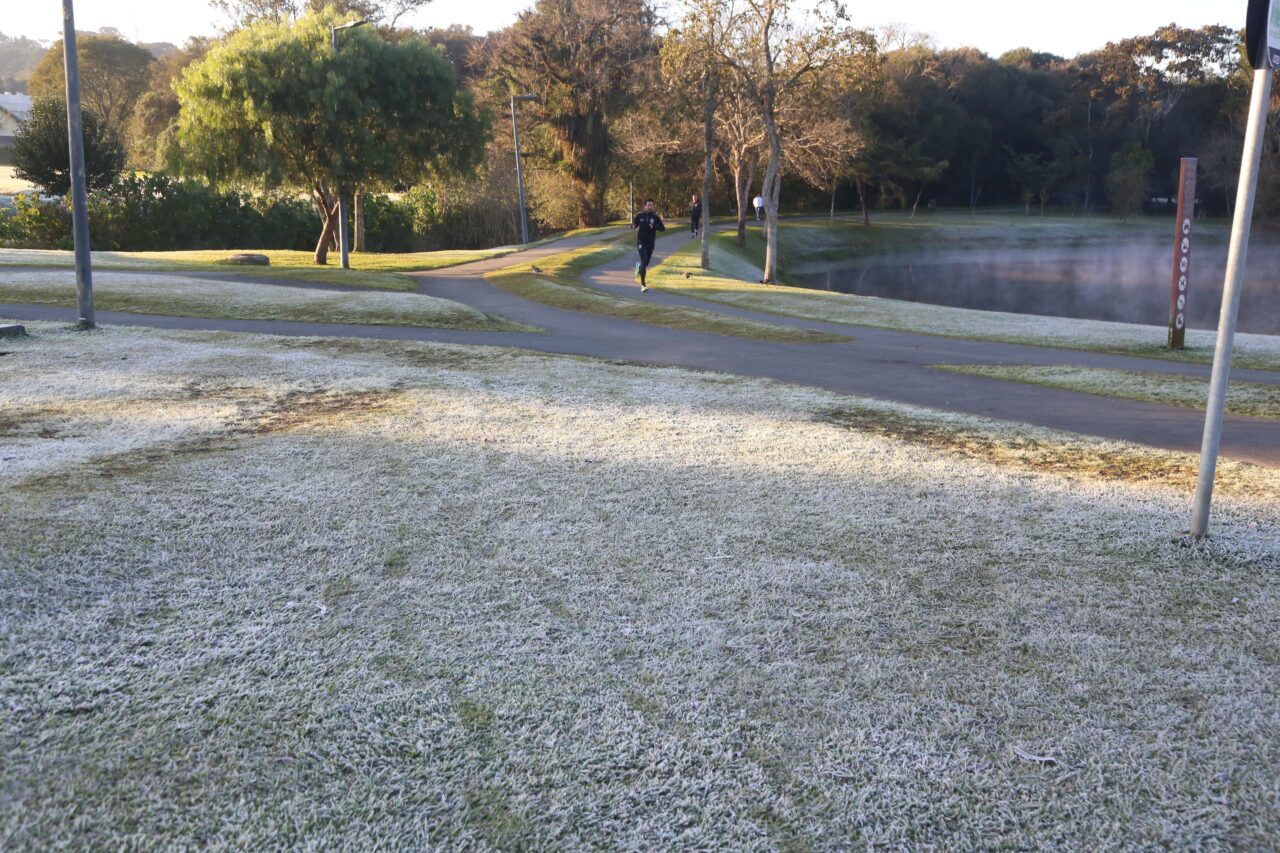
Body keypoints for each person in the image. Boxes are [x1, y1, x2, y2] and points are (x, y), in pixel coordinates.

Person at [632, 198, 665, 292]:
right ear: (645, 206)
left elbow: (663, 229)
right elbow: (635, 224)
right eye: (648, 205)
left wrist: (654, 226)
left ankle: (639, 265)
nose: (650, 207)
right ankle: (643, 285)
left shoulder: (655, 217)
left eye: (651, 205)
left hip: (650, 244)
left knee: (645, 264)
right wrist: (633, 226)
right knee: (644, 261)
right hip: (641, 242)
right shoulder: (639, 215)